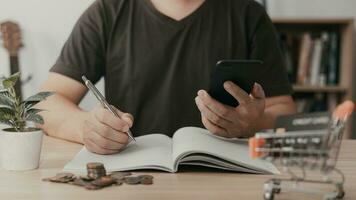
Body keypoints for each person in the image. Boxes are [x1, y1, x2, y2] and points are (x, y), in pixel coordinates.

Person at [38, 0, 296, 155]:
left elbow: (285, 111)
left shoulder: (248, 14)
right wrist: (86, 128)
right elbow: (44, 104)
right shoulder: (107, 11)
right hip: (131, 179)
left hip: (224, 178)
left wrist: (254, 123)